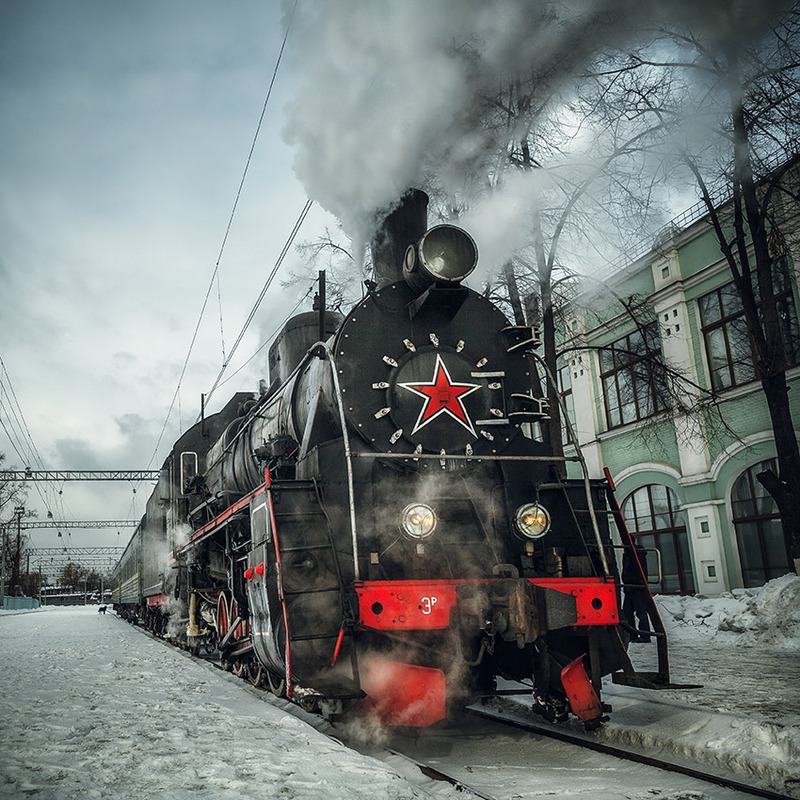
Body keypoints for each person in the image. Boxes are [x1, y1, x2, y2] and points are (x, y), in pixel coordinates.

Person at [622, 541, 651, 642]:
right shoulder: (628, 553)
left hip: (636, 586)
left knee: (640, 611)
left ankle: (644, 635)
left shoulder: (636, 553)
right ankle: (633, 634)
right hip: (631, 586)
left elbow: (638, 570)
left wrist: (637, 582)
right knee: (628, 611)